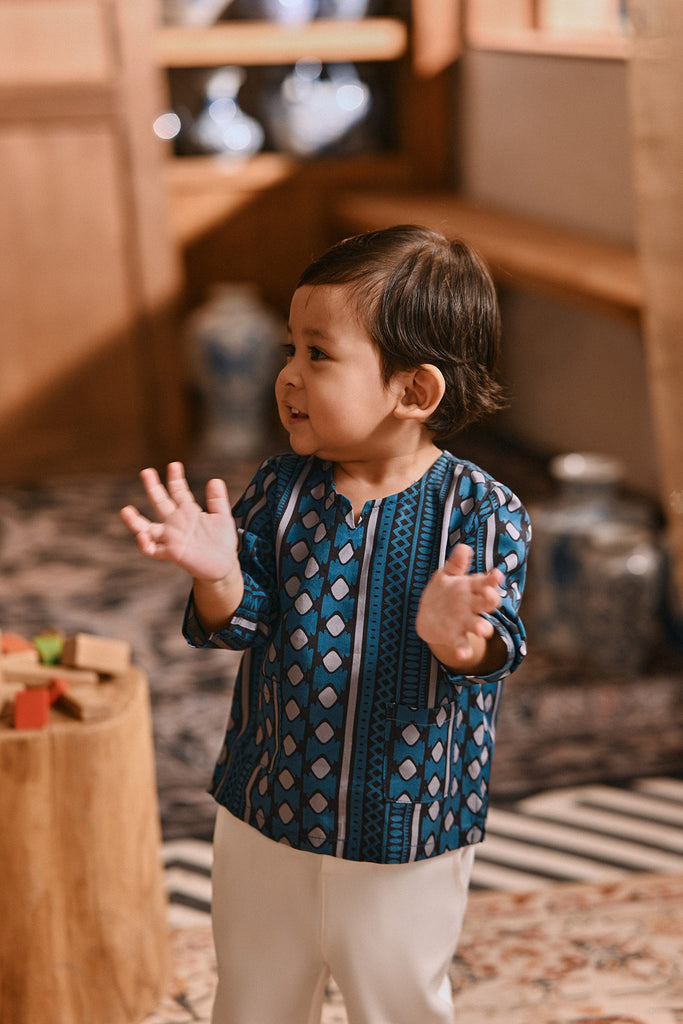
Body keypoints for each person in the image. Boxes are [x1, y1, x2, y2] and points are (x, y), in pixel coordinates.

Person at [120, 224, 531, 1024]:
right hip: (266, 807)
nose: (287, 376)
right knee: (254, 999)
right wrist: (219, 575)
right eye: (289, 349)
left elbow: (495, 645)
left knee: (398, 1002)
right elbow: (240, 623)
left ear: (414, 391)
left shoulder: (480, 510)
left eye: (318, 354)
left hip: (402, 827)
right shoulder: (281, 489)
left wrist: (459, 637)